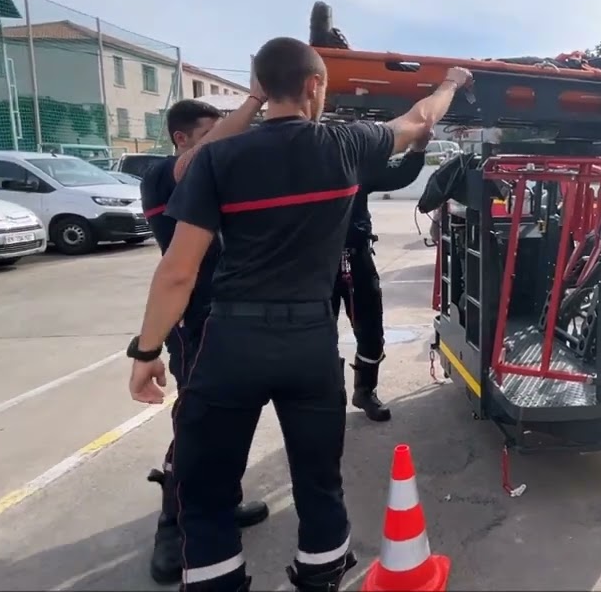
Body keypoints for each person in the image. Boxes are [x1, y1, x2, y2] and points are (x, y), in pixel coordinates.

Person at [125, 35, 470, 592]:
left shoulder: (216, 157)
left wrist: (145, 352)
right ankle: (319, 582)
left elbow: (178, 272)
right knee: (319, 487)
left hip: (230, 340)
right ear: (314, 86)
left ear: (263, 88)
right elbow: (420, 115)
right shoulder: (347, 145)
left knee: (207, 495)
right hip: (309, 341)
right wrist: (452, 81)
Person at [138, 96, 271, 585]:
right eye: (211, 136)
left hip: (231, 320)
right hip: (191, 324)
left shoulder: (212, 179)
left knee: (230, 421)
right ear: (182, 140)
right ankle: (172, 526)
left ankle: (221, 502)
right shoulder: (161, 176)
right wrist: (255, 100)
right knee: (193, 426)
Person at [333, 147, 428, 421]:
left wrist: (418, 150)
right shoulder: (305, 167)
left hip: (358, 260)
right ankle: (330, 397)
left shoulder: (355, 165)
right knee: (319, 335)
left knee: (372, 331)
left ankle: (364, 392)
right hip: (318, 263)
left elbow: (399, 176)